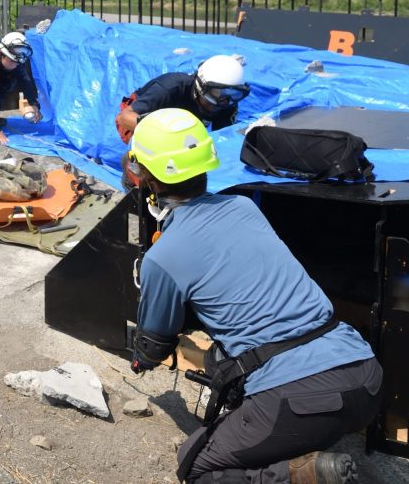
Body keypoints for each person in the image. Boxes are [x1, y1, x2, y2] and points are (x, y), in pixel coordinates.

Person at [127, 108, 382, 484]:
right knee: (222, 359)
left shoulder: (163, 257)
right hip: (365, 376)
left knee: (195, 467)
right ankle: (303, 442)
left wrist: (139, 358)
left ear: (147, 176)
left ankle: (299, 475)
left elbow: (153, 345)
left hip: (301, 399)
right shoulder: (244, 207)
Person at [115, 54, 250, 143]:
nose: (222, 101)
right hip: (152, 117)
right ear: (201, 87)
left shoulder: (226, 102)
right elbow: (124, 118)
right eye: (216, 93)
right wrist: (163, 133)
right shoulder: (170, 88)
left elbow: (223, 138)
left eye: (232, 95)